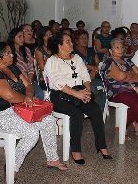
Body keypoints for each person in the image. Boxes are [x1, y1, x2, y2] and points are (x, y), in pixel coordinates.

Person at [0, 42, 67, 180]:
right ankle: (12, 167)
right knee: (31, 133)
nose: (12, 55)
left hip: (20, 109)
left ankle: (52, 159)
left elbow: (28, 85)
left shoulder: (12, 68)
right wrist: (26, 99)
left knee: (49, 120)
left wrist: (28, 96)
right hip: (0, 116)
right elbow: (9, 95)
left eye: (11, 52)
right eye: (8, 53)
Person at [45, 33, 112, 164]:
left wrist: (86, 91)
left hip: (79, 92)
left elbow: (85, 76)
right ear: (59, 45)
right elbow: (57, 82)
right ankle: (75, 149)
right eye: (68, 41)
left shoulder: (77, 58)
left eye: (71, 41)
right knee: (77, 114)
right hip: (60, 95)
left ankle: (102, 146)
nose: (71, 44)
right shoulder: (52, 61)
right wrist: (77, 94)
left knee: (96, 110)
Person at [100, 38, 138, 137]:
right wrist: (130, 75)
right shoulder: (108, 62)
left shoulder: (127, 60)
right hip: (118, 90)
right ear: (110, 51)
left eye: (122, 47)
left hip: (134, 87)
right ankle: (123, 127)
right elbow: (120, 76)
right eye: (117, 47)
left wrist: (127, 76)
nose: (120, 49)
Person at [73, 30, 106, 111]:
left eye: (86, 38)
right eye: (82, 38)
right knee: (93, 89)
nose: (85, 40)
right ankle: (96, 111)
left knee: (106, 86)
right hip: (80, 80)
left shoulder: (91, 50)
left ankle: (101, 110)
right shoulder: (73, 52)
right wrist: (91, 67)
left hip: (93, 77)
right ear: (76, 41)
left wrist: (94, 70)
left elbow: (98, 63)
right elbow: (75, 66)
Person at [8, 28, 44, 100]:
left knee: (40, 94)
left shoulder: (26, 50)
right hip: (16, 80)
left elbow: (31, 67)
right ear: (13, 38)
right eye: (19, 37)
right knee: (27, 96)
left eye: (23, 37)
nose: (22, 39)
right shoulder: (9, 52)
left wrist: (29, 80)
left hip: (29, 78)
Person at [35, 26, 52, 91]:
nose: (49, 37)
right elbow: (42, 68)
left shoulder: (56, 48)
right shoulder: (39, 50)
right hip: (45, 77)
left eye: (50, 34)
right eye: (46, 35)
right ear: (42, 37)